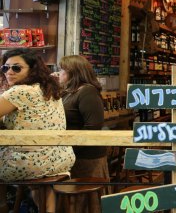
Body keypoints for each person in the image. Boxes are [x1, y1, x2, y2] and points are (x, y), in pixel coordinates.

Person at [0, 48, 75, 213]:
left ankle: (3, 205)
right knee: (41, 186)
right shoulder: (47, 88)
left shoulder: (20, 91)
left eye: (16, 68)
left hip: (33, 162)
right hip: (60, 157)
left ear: (32, 69)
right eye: (5, 68)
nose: (9, 72)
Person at [57, 55, 108, 186]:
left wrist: (69, 148)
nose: (59, 73)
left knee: (84, 201)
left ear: (74, 73)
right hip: (73, 154)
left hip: (86, 157)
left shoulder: (87, 91)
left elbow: (93, 127)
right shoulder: (69, 91)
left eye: (62, 70)